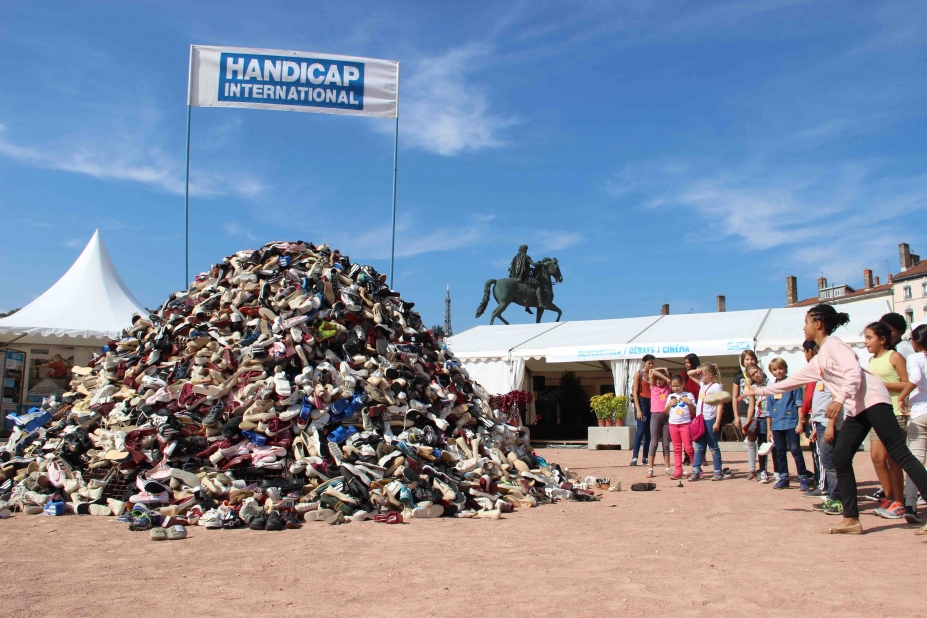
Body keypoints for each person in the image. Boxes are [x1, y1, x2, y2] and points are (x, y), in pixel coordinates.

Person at [741, 303, 927, 535]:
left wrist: (839, 400)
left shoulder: (835, 345)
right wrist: (757, 392)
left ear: (818, 324)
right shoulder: (819, 360)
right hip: (857, 407)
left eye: (806, 322)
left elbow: (853, 373)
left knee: (899, 453)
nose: (803, 327)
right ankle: (851, 519)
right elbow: (793, 381)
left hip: (874, 400)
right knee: (840, 457)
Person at [864, 321, 912, 520]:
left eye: (869, 338)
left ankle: (899, 502)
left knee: (894, 460)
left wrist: (881, 385)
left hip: (894, 411)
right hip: (876, 412)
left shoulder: (895, 356)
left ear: (882, 339)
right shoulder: (871, 361)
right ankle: (889, 497)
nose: (866, 343)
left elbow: (907, 383)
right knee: (877, 457)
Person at [801, 339, 845, 515]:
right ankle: (834, 496)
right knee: (827, 462)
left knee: (833, 463)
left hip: (829, 424)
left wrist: (830, 425)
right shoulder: (819, 375)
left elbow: (836, 400)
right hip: (820, 423)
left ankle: (838, 499)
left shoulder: (830, 374)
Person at [765, 358, 810, 490]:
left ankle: (803, 477)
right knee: (780, 452)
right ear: (771, 372)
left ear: (785, 369)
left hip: (791, 423)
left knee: (796, 450)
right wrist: (769, 429)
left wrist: (800, 423)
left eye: (781, 368)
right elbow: (768, 410)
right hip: (777, 425)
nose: (778, 371)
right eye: (775, 369)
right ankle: (783, 477)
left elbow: (799, 404)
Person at [899, 324, 927, 526]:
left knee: (915, 461)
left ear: (915, 342)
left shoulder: (915, 358)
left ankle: (910, 505)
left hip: (920, 413)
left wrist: (902, 396)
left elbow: (916, 378)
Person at [687, 363, 724, 481]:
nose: (701, 375)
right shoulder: (702, 384)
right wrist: (698, 370)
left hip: (710, 419)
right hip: (700, 419)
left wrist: (717, 421)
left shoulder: (716, 387)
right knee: (698, 446)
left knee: (713, 446)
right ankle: (696, 469)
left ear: (711, 375)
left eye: (704, 373)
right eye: (701, 373)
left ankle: (718, 470)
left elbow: (719, 405)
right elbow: (689, 374)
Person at [744, 364, 774, 482]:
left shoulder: (771, 382)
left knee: (774, 445)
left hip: (772, 417)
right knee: (762, 445)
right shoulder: (753, 387)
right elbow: (751, 407)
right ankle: (762, 471)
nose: (756, 375)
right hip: (760, 418)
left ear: (760, 370)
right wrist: (747, 423)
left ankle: (779, 472)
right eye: (752, 374)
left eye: (757, 371)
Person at [666, 375, 696, 480]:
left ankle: (696, 469)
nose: (676, 388)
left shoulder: (689, 395)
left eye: (678, 386)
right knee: (677, 449)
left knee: (688, 448)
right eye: (673, 386)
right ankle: (678, 470)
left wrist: (689, 402)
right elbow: (665, 412)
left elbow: (695, 411)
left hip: (685, 424)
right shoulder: (670, 396)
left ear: (683, 384)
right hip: (673, 424)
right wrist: (669, 405)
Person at [647, 368, 673, 478]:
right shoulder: (653, 388)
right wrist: (661, 372)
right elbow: (652, 373)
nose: (658, 382)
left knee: (666, 443)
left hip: (666, 417)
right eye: (657, 380)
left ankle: (667, 468)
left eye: (660, 380)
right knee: (654, 442)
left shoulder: (668, 387)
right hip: (655, 416)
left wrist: (666, 373)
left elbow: (668, 379)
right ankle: (650, 468)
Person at [631, 355, 655, 466]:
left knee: (648, 433)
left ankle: (645, 457)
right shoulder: (638, 374)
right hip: (642, 402)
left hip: (652, 403)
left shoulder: (653, 374)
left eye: (652, 363)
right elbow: (635, 393)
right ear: (644, 362)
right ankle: (634, 457)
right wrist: (639, 410)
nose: (651, 365)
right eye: (649, 363)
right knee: (640, 430)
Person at [733, 350, 758, 430]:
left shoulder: (760, 376)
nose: (750, 361)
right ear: (742, 362)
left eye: (752, 359)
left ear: (756, 360)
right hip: (743, 411)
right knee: (748, 435)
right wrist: (736, 416)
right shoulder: (738, 378)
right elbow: (735, 397)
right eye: (747, 359)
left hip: (759, 410)